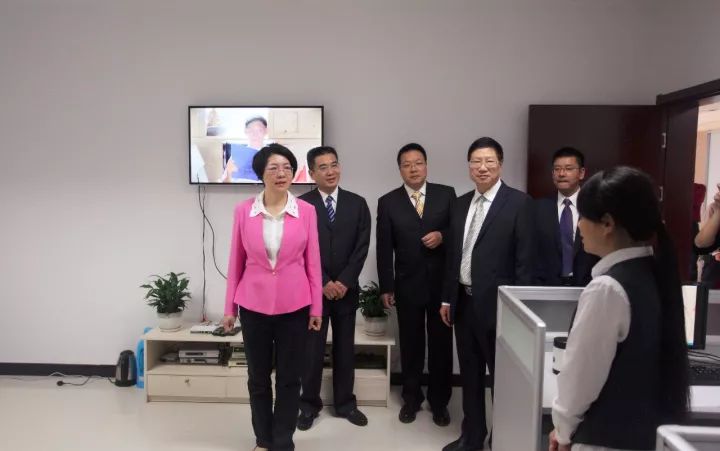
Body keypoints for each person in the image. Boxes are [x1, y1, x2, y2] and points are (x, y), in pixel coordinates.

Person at [549, 166, 690, 451]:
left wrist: (562, 431)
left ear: (607, 224)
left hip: (605, 438)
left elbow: (579, 381)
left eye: (583, 217)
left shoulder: (607, 289)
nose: (579, 227)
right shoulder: (652, 272)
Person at [222, 144, 322, 451]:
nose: (282, 174)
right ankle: (264, 439)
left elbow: (313, 262)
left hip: (295, 307)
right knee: (258, 378)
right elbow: (235, 261)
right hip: (253, 307)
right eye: (274, 168)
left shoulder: (306, 211)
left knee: (290, 379)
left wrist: (316, 307)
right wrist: (230, 308)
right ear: (261, 174)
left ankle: (283, 440)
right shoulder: (244, 211)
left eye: (287, 168)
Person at [441, 137, 533, 451]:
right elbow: (453, 255)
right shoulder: (460, 203)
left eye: (489, 161)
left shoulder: (519, 203)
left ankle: (501, 438)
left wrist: (519, 310)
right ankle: (472, 436)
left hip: (500, 308)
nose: (482, 168)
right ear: (469, 167)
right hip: (464, 304)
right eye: (476, 162)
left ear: (500, 165)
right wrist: (447, 298)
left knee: (502, 379)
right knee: (470, 375)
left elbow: (524, 262)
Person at [376, 143, 456, 426]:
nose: (413, 168)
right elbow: (384, 247)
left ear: (426, 165)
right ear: (400, 169)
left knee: (441, 345)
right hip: (407, 285)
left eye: (418, 162)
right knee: (410, 345)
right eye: (407, 164)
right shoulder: (388, 202)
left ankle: (439, 402)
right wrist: (387, 286)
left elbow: (458, 233)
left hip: (441, 286)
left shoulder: (446, 195)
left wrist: (443, 236)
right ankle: (411, 399)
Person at [297, 146, 371, 430]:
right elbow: (301, 249)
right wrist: (324, 281)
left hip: (346, 291)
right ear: (312, 173)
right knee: (311, 352)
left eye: (334, 164)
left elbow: (362, 247)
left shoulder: (357, 203)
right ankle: (308, 406)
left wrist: (344, 281)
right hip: (314, 292)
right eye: (323, 167)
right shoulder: (301, 205)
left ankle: (345, 404)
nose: (331, 171)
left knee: (345, 350)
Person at [533, 147, 598, 286]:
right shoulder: (537, 208)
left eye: (568, 169)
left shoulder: (595, 207)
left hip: (588, 285)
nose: (561, 174)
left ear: (581, 173)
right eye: (557, 169)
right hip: (547, 287)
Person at [220, 116, 268, 182]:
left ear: (265, 131)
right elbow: (224, 183)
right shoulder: (237, 154)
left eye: (259, 130)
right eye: (251, 131)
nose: (255, 134)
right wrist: (228, 173)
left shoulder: (272, 154)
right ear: (245, 131)